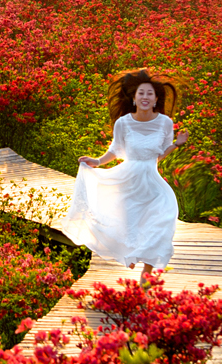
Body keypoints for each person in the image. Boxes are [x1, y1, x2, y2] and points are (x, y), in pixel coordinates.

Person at [61, 69, 188, 283]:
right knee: (128, 228)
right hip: (127, 182)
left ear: (156, 98)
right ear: (134, 98)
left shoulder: (165, 123)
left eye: (150, 94)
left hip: (153, 184)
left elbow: (159, 155)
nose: (145, 97)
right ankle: (129, 254)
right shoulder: (124, 123)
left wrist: (176, 145)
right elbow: (115, 149)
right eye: (141, 93)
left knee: (161, 225)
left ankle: (145, 280)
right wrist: (97, 161)